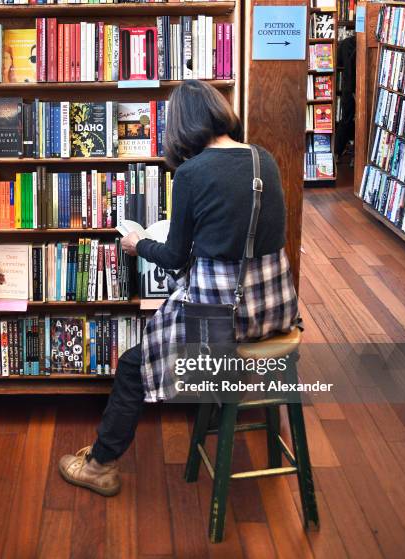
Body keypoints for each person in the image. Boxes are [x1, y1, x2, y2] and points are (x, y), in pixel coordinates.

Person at [58, 80, 300, 497]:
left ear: (181, 126)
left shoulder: (190, 173)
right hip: (278, 310)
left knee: (133, 365)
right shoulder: (264, 158)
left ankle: (100, 464)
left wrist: (139, 244)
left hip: (227, 319)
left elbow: (172, 256)